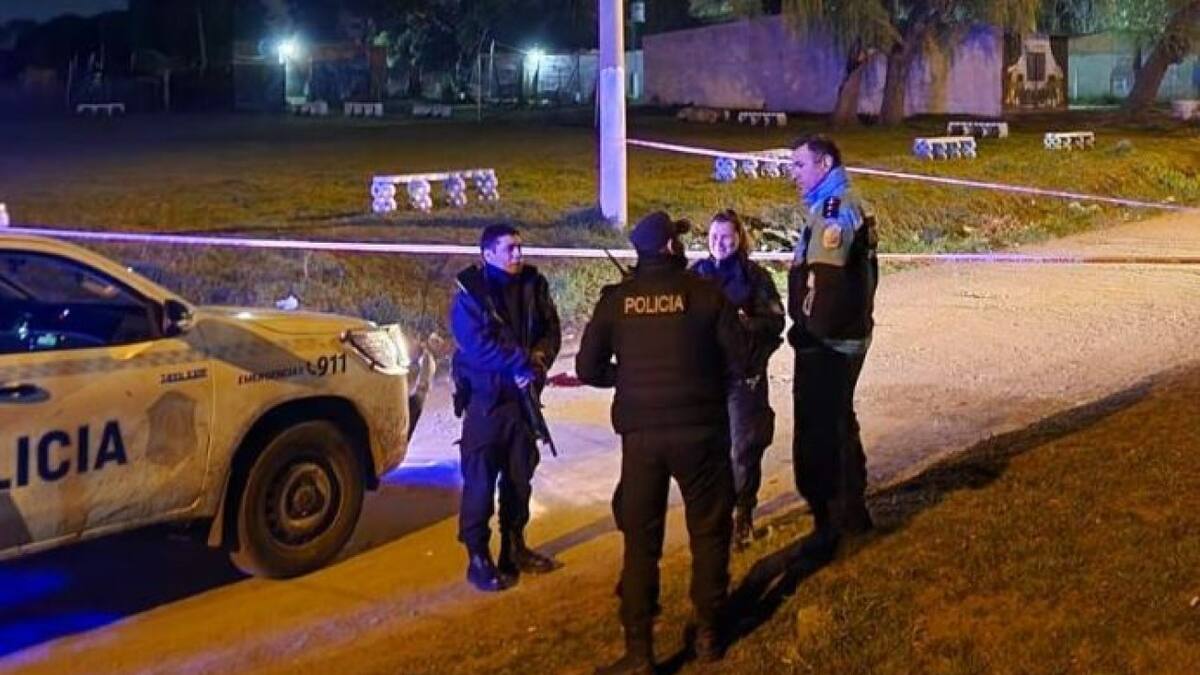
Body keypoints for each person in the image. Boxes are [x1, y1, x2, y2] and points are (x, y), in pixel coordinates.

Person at [576, 211, 747, 674]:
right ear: (671, 248)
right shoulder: (707, 294)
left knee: (640, 542)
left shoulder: (617, 300)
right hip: (701, 433)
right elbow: (740, 361)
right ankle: (709, 631)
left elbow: (588, 369)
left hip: (642, 439)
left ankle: (639, 651)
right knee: (709, 531)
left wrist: (625, 378)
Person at [449, 224, 562, 592]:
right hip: (487, 403)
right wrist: (520, 365)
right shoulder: (471, 294)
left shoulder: (533, 284)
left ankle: (514, 548)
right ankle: (477, 558)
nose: (518, 255)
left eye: (519, 247)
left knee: (519, 477)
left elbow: (551, 330)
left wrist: (539, 362)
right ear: (488, 254)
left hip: (523, 402)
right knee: (480, 481)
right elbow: (476, 346)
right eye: (510, 249)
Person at [786, 134, 879, 562]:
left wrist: (809, 335)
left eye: (799, 165)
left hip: (831, 340)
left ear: (824, 164)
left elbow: (827, 284)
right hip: (837, 335)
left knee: (829, 425)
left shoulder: (834, 208)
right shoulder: (831, 202)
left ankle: (843, 518)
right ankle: (850, 514)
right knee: (838, 417)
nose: (793, 174)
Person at [690, 210, 785, 550]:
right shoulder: (696, 275)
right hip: (705, 378)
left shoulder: (755, 277)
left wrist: (746, 323)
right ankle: (716, 513)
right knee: (709, 449)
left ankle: (742, 513)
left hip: (743, 375)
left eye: (727, 237)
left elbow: (776, 322)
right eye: (714, 237)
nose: (719, 243)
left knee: (744, 446)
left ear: (739, 238)